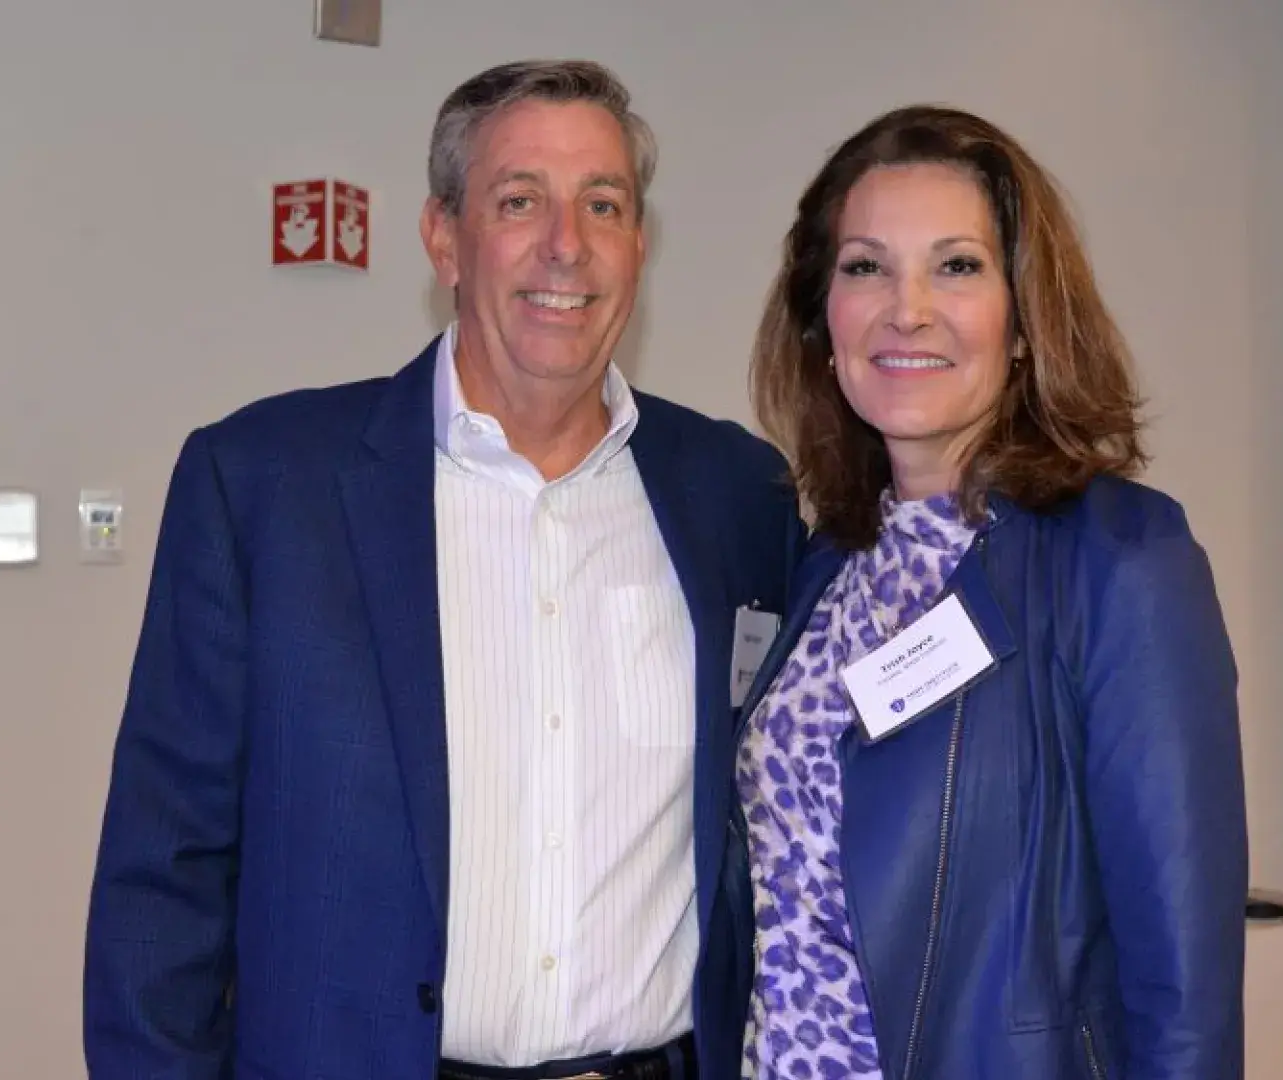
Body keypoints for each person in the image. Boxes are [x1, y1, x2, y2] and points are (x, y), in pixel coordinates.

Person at [84, 60, 800, 1080]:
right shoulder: (265, 487)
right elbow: (165, 873)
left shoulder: (740, 495)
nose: (567, 244)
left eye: (604, 203)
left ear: (640, 245)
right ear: (442, 238)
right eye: (520, 201)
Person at [730, 105, 1249, 1079]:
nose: (906, 308)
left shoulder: (1122, 563)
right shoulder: (823, 572)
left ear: (1023, 321)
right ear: (821, 316)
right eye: (865, 267)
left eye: (956, 266)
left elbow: (1183, 984)